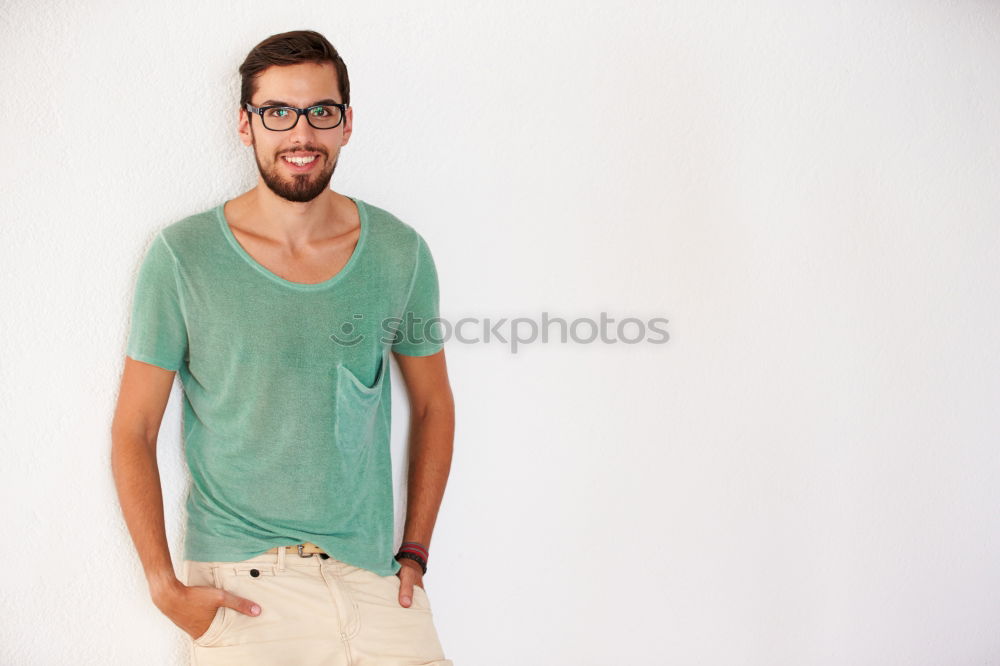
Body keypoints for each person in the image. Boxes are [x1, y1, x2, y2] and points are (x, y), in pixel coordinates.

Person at [110, 29, 455, 665]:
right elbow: (134, 428)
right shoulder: (183, 258)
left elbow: (433, 404)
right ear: (246, 125)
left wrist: (415, 552)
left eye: (321, 112)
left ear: (346, 124)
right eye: (278, 112)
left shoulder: (400, 252)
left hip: (377, 583)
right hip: (246, 589)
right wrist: (163, 586)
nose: (301, 135)